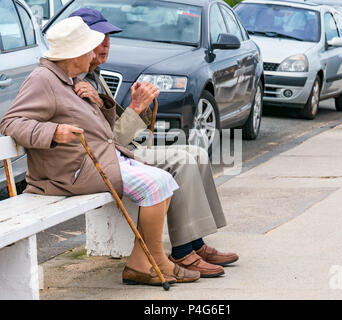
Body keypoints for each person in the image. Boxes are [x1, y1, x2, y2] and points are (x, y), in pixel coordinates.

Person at [0, 16, 200, 286]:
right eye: (90, 49)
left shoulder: (68, 79)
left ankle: (145, 262)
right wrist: (53, 132)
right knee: (156, 183)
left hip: (95, 161)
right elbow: (10, 122)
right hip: (72, 173)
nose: (95, 54)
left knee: (162, 179)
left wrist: (98, 101)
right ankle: (150, 263)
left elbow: (105, 131)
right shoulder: (44, 80)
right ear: (75, 54)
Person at [69, 8, 239, 278]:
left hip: (118, 152)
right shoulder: (76, 81)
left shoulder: (94, 75)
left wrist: (139, 107)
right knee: (182, 161)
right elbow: (111, 139)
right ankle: (183, 250)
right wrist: (135, 109)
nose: (106, 44)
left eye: (108, 37)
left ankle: (195, 242)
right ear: (80, 42)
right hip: (107, 161)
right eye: (99, 38)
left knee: (195, 152)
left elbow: (115, 129)